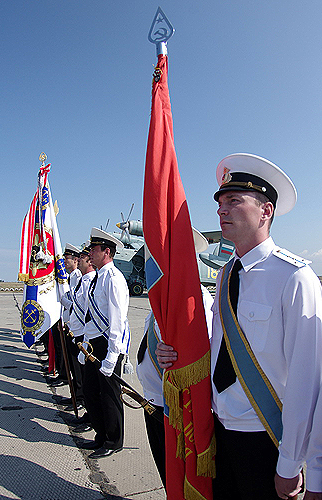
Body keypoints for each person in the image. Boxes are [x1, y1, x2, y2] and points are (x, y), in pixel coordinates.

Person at [156, 153, 322, 500]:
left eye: (234, 201)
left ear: (266, 211)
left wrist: (295, 465)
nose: (221, 209)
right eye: (219, 202)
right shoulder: (227, 273)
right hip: (218, 429)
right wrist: (175, 352)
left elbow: (310, 383)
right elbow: (219, 347)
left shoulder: (295, 278)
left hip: (266, 439)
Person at [136, 228, 214, 488]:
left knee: (181, 479)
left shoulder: (198, 299)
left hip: (177, 408)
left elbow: (206, 351)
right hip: (153, 399)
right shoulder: (162, 296)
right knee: (166, 472)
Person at [79, 228, 130, 459]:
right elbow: (91, 314)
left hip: (109, 344)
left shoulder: (114, 278)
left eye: (94, 249)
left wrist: (112, 355)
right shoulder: (98, 277)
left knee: (109, 395)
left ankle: (113, 440)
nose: (90, 252)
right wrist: (86, 342)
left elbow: (118, 319)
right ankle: (101, 436)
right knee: (91, 391)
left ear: (106, 251)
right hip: (94, 343)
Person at [60, 243, 97, 414]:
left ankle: (81, 399)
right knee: (77, 371)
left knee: (84, 376)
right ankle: (79, 397)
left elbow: (83, 309)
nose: (79, 259)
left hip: (84, 334)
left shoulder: (90, 280)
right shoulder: (83, 280)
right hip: (77, 331)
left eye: (82, 257)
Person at [50, 243, 82, 387]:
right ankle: (66, 378)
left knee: (76, 362)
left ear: (75, 260)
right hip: (68, 320)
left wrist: (64, 301)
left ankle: (78, 394)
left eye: (67, 258)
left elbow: (76, 303)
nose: (64, 261)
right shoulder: (71, 276)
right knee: (68, 356)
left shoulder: (77, 276)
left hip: (73, 323)